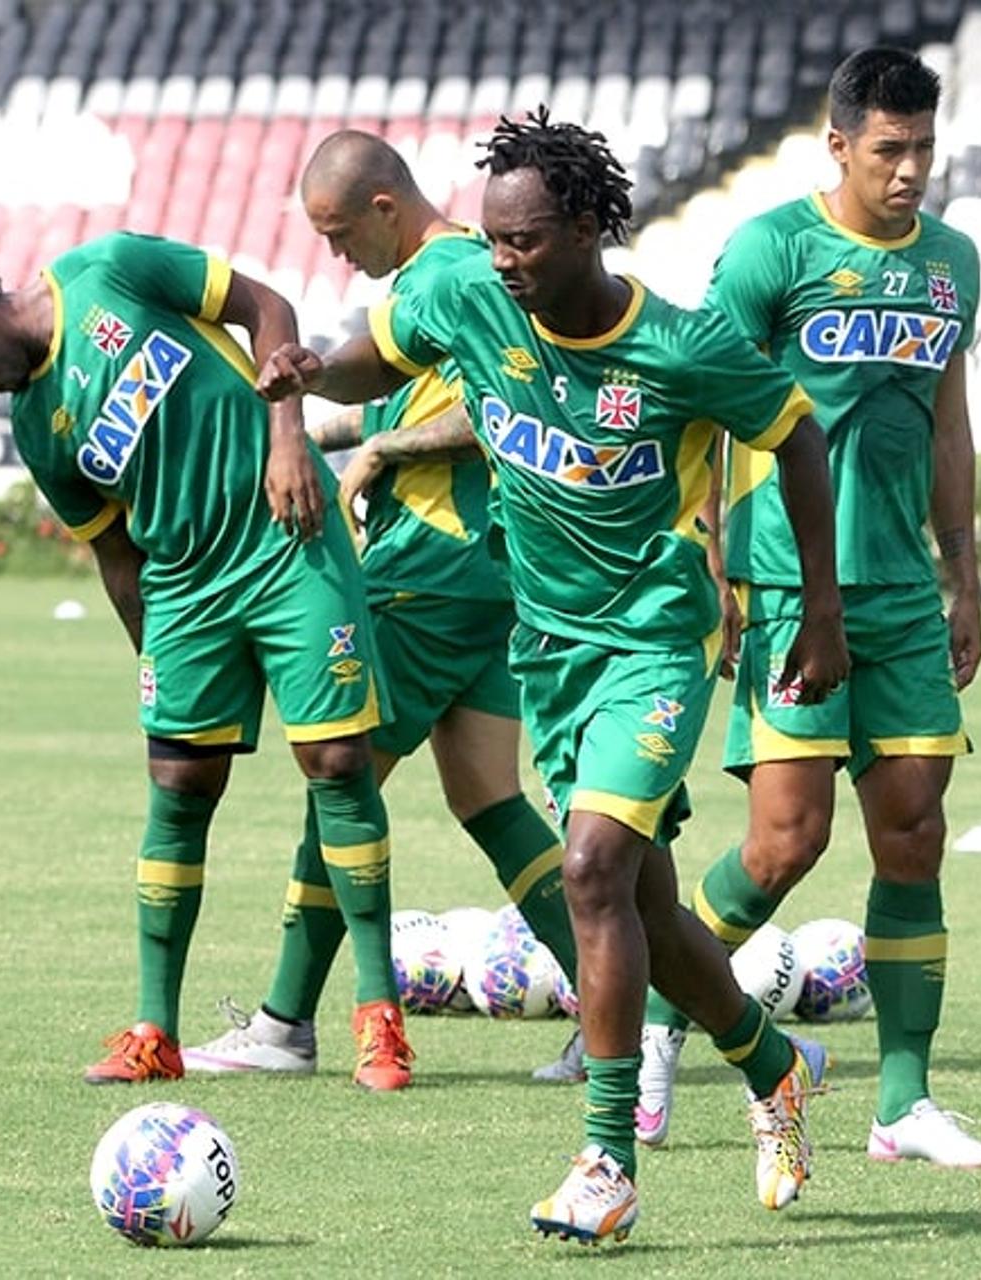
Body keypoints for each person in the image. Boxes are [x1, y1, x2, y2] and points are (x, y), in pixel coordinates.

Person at [254, 109, 849, 1244]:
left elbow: (799, 434)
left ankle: (606, 1160)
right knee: (648, 906)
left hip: (657, 642)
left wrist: (816, 610)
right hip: (555, 649)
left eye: (526, 241)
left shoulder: (681, 344)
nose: (505, 261)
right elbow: (386, 345)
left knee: (590, 869)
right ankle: (772, 1068)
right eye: (494, 240)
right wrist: (315, 366)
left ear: (586, 227)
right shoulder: (471, 294)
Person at [0, 233, 415, 1090]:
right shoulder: (39, 429)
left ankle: (378, 1018)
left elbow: (267, 308)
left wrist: (288, 437)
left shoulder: (109, 270)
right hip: (186, 592)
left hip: (285, 543)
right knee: (179, 787)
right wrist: (149, 657)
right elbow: (118, 558)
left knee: (338, 764)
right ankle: (156, 1032)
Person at [633, 46, 981, 1169]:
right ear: (837, 145)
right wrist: (710, 561)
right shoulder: (770, 251)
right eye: (890, 150)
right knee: (788, 839)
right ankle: (659, 1021)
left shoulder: (952, 264)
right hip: (792, 588)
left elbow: (949, 422)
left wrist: (964, 572)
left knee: (916, 833)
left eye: (925, 150)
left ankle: (904, 1102)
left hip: (900, 593)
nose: (910, 172)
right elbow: (700, 403)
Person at [180, 130, 585, 1085]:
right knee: (489, 798)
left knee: (340, 777)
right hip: (494, 574)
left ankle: (284, 1023)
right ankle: (626, 1011)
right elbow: (403, 383)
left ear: (384, 209)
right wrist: (329, 401)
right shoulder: (440, 285)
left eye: (338, 233)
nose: (334, 255)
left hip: (431, 574)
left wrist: (387, 453)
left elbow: (509, 408)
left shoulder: (448, 276)